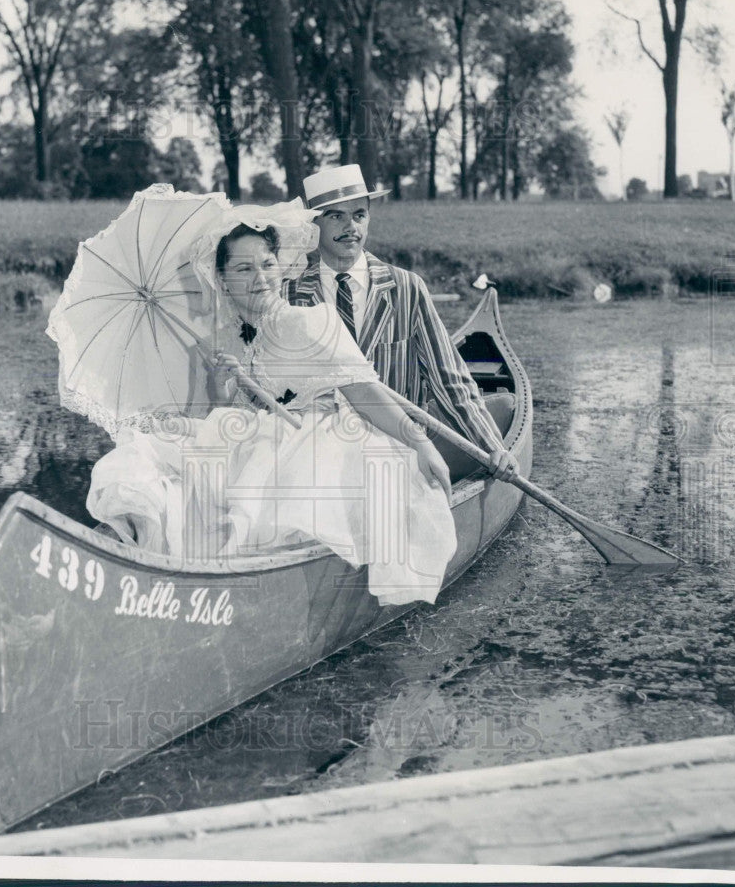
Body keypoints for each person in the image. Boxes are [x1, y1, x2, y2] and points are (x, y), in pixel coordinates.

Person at [86, 202, 457, 606]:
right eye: (244, 269)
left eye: (267, 264)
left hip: (324, 441)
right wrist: (220, 384)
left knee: (268, 501)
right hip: (261, 441)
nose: (260, 277)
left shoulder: (307, 321)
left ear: (281, 267)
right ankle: (137, 565)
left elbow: (365, 393)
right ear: (223, 280)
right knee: (160, 456)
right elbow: (227, 417)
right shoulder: (231, 339)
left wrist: (419, 443)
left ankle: (252, 589)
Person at [285, 164, 519, 483]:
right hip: (324, 458)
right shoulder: (292, 294)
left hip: (401, 453)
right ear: (314, 224)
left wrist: (494, 447)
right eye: (335, 216)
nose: (350, 226)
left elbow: (449, 380)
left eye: (358, 215)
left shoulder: (407, 287)